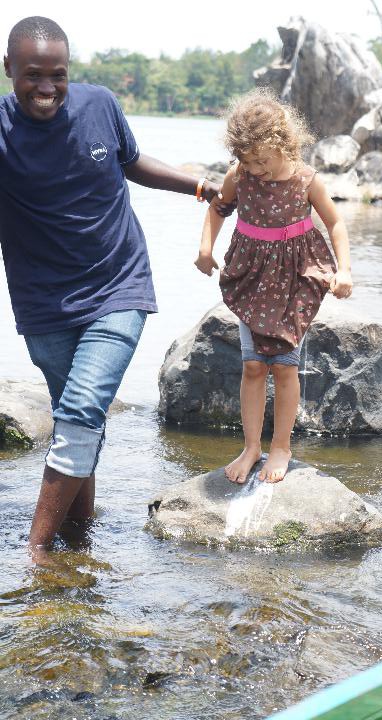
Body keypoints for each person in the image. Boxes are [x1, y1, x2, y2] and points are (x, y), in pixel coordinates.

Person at [0, 16, 230, 557]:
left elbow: (133, 163)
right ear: (9, 68)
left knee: (81, 411)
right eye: (33, 75)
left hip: (117, 285)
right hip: (44, 303)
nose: (46, 87)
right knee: (77, 423)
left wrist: (202, 187)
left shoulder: (100, 104)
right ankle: (79, 538)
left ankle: (36, 555)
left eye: (57, 75)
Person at [194, 89, 353, 484]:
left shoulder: (306, 179)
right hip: (252, 275)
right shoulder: (239, 176)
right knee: (252, 365)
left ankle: (281, 446)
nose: (255, 169)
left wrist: (344, 270)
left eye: (261, 160)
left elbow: (335, 223)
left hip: (295, 277)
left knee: (284, 366)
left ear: (283, 143)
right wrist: (205, 249)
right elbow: (218, 208)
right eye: (247, 161)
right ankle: (251, 447)